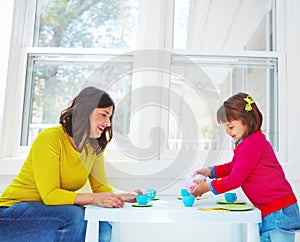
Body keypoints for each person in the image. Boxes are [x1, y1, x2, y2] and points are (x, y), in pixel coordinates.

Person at [0, 86, 139, 242]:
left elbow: (101, 189)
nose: (107, 122)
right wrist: (94, 198)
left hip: (49, 214)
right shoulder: (50, 138)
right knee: (74, 215)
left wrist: (125, 197)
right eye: (103, 115)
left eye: (110, 117)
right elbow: (50, 196)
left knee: (103, 224)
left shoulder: (93, 147)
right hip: (9, 213)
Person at [190, 92, 300, 242]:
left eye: (230, 126)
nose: (228, 132)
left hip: (279, 210)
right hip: (268, 210)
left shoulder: (252, 144)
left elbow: (235, 179)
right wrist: (211, 171)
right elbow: (234, 166)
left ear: (246, 121)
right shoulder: (247, 144)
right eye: (225, 127)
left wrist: (208, 187)